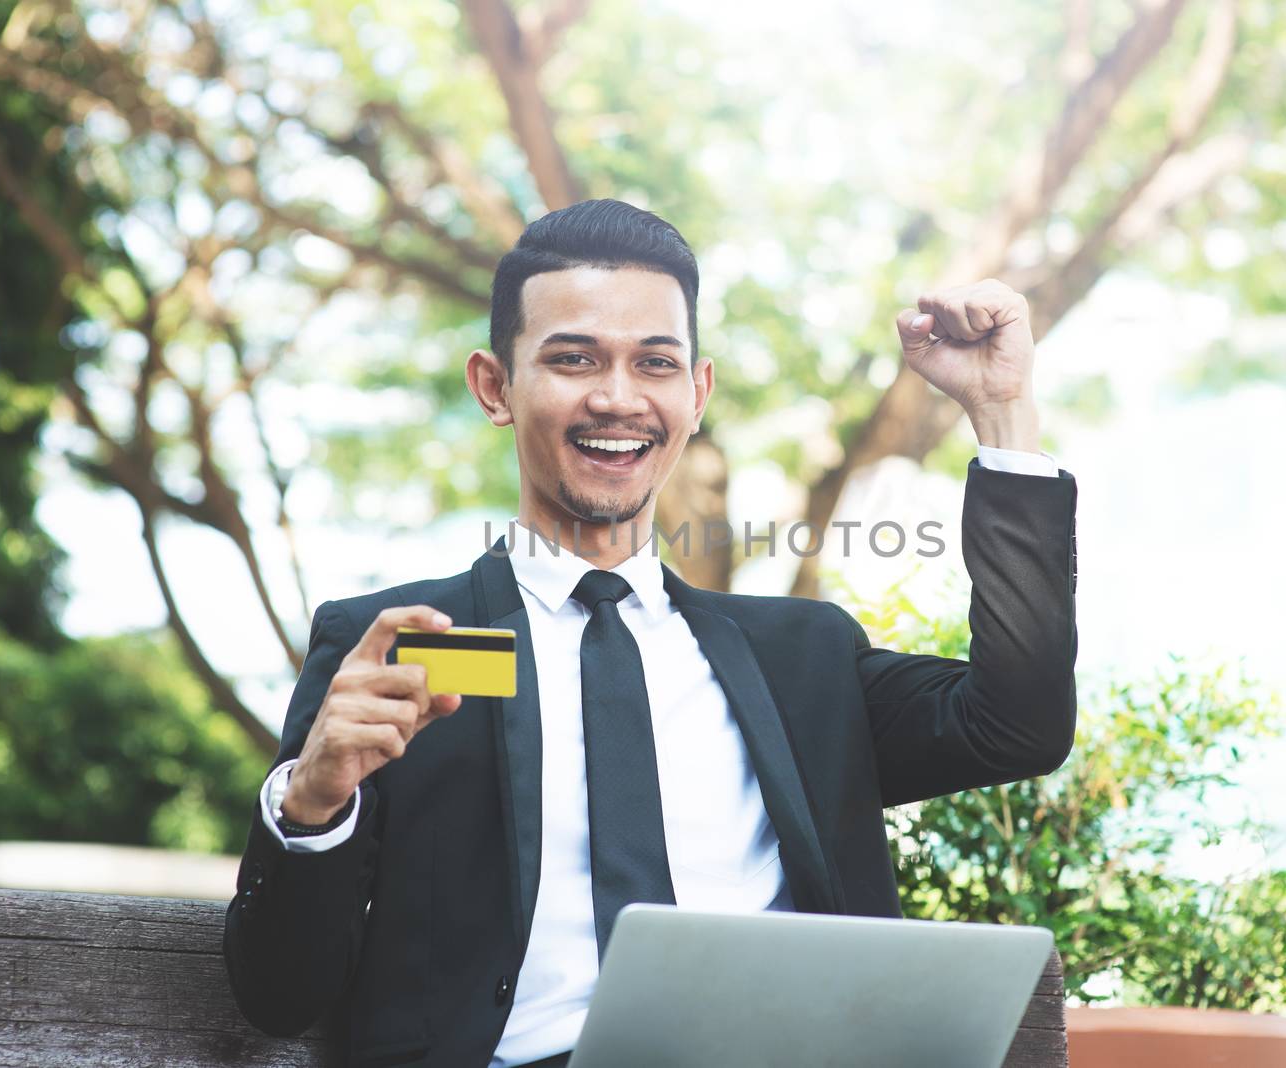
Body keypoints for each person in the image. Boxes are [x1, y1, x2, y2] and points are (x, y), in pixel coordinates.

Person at [222, 199, 1077, 1068]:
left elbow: (1018, 725)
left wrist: (1003, 413)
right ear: (494, 387)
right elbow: (280, 995)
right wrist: (313, 803)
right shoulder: (405, 652)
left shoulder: (800, 660)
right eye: (572, 359)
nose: (617, 397)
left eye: (655, 363)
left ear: (695, 394)